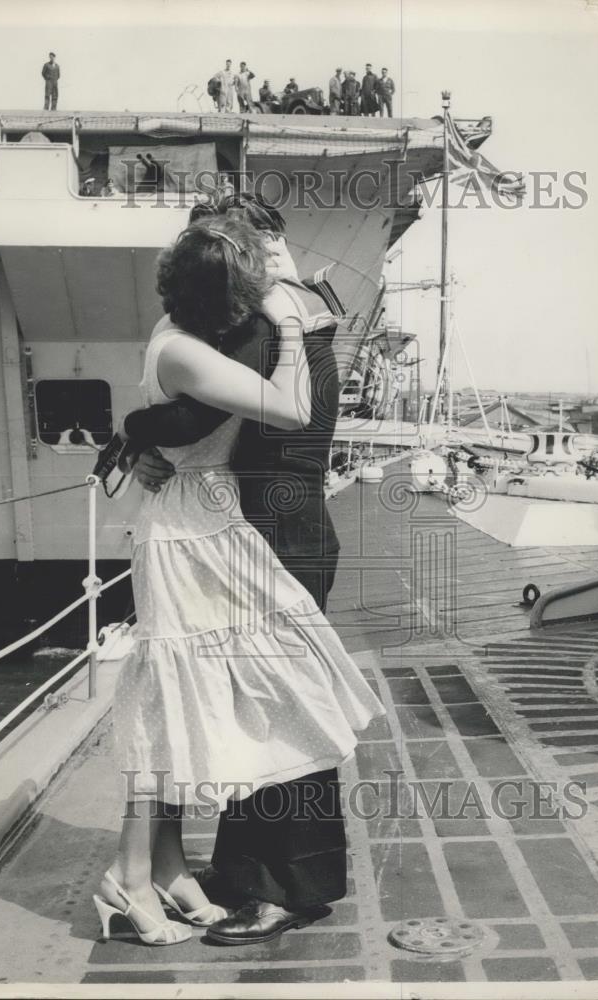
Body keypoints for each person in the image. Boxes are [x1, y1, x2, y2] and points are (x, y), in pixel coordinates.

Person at [116, 195, 382, 946]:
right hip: (267, 524)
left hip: (271, 528)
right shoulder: (298, 310)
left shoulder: (267, 325)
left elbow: (192, 419)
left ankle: (286, 886)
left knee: (278, 708)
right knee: (258, 705)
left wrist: (134, 430)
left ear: (260, 250)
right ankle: (248, 871)